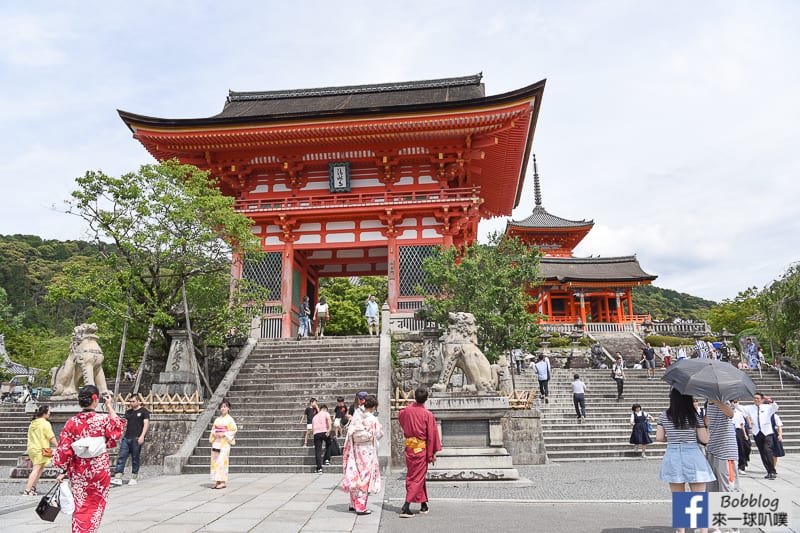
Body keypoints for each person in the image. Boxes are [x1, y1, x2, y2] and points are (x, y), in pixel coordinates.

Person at [53, 385, 125, 533]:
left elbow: (64, 451)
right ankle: (90, 530)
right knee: (96, 504)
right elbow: (118, 428)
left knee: (81, 504)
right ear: (95, 399)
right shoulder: (103, 419)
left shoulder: (72, 423)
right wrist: (109, 405)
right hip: (99, 470)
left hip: (80, 470)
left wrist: (62, 470)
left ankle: (80, 530)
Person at [656, 389, 715, 533]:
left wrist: (671, 437)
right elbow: (704, 439)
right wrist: (706, 425)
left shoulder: (664, 415)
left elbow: (659, 437)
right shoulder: (694, 416)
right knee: (699, 497)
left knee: (679, 499)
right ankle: (703, 531)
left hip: (673, 454)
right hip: (693, 454)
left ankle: (681, 531)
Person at [397, 385, 442, 518]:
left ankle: (423, 504)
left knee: (417, 476)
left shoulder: (406, 411)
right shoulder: (427, 414)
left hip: (410, 448)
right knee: (416, 478)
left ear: (414, 397)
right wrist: (432, 453)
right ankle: (406, 506)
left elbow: (400, 417)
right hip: (420, 449)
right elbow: (432, 435)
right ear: (426, 399)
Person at [341, 394, 383, 515]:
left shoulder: (356, 415)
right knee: (365, 476)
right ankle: (360, 506)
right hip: (367, 449)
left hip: (356, 448)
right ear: (374, 407)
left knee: (356, 473)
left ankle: (353, 503)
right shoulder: (373, 419)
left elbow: (350, 431)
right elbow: (379, 434)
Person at [111, 395, 150, 486]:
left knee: (135, 458)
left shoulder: (144, 411)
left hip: (136, 438)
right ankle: (118, 476)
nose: (131, 403)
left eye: (133, 401)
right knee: (122, 456)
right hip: (127, 437)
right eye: (130, 402)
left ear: (138, 401)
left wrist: (142, 436)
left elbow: (146, 424)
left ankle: (134, 477)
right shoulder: (129, 412)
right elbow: (125, 423)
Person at [703, 399, 739, 493]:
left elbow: (730, 414)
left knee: (726, 486)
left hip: (725, 451)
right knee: (711, 487)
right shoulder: (707, 404)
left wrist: (717, 401)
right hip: (712, 448)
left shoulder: (724, 402)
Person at [743, 392, 780, 479]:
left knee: (768, 450)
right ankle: (768, 470)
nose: (756, 400)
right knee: (762, 452)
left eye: (758, 398)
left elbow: (775, 407)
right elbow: (741, 409)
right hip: (757, 432)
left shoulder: (767, 407)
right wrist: (735, 403)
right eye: (755, 398)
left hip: (767, 431)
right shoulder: (750, 408)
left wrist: (770, 401)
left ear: (762, 400)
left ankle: (772, 470)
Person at [24, 405, 57, 496]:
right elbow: (51, 437)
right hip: (42, 448)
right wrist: (58, 446)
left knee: (40, 468)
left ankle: (32, 488)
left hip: (33, 448)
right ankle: (27, 489)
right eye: (49, 411)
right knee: (36, 469)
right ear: (45, 413)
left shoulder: (33, 423)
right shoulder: (45, 423)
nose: (50, 413)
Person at [209, 399, 237, 489]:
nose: (223, 408)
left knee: (222, 461)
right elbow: (213, 429)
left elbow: (233, 430)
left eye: (225, 407)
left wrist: (224, 434)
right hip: (216, 442)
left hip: (224, 443)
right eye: (221, 407)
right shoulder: (217, 419)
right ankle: (217, 481)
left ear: (228, 408)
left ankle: (223, 481)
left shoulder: (230, 419)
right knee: (215, 461)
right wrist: (215, 433)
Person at [312, 404, 333, 473]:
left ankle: (319, 468)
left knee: (318, 451)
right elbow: (329, 420)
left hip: (316, 433)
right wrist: (329, 429)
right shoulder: (326, 413)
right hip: (324, 431)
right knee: (329, 444)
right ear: (325, 409)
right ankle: (327, 459)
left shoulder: (314, 417)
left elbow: (313, 428)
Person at [731, 399, 751, 473]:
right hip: (729, 431)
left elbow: (742, 424)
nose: (733, 404)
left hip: (738, 431)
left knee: (741, 448)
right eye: (732, 402)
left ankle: (741, 467)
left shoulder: (738, 413)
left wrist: (745, 434)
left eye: (734, 402)